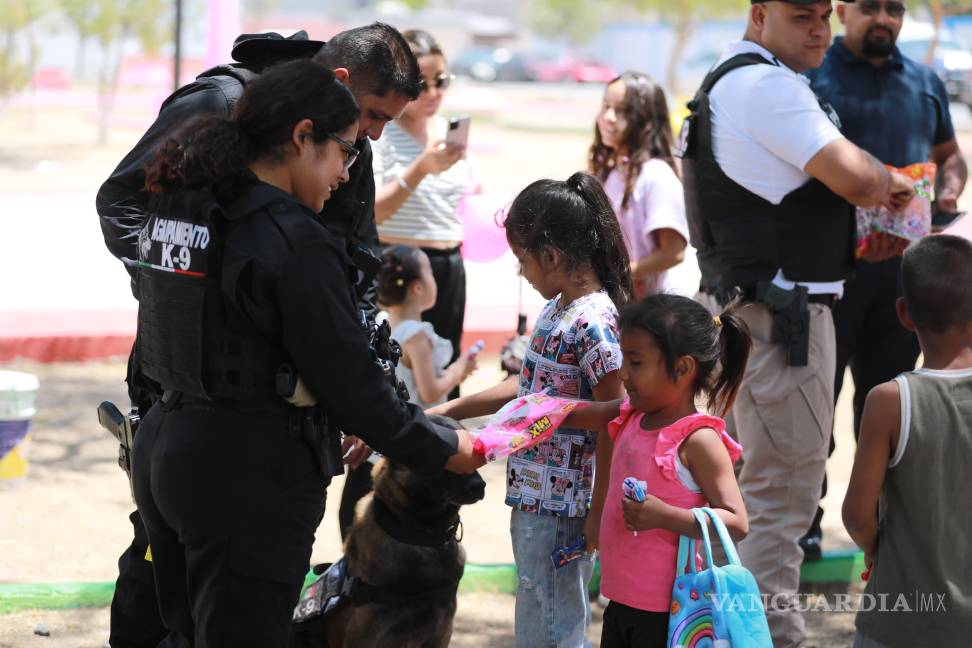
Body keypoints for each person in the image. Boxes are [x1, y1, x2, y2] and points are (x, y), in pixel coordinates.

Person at [130, 60, 482, 647]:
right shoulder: (289, 237)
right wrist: (444, 447)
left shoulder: (183, 205)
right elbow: (353, 383)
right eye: (345, 150)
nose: (347, 172)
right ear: (302, 137)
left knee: (186, 633)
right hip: (244, 472)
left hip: (165, 450)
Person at [679, 1, 916, 645]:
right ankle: (771, 637)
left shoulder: (730, 80)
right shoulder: (767, 85)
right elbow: (856, 177)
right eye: (801, 14)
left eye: (825, 15)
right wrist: (889, 181)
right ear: (760, 15)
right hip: (779, 324)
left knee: (739, 499)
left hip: (741, 315)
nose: (819, 29)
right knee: (778, 504)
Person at [429, 171, 631, 648]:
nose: (522, 272)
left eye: (523, 260)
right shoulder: (559, 307)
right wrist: (443, 410)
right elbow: (524, 387)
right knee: (539, 619)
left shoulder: (592, 321)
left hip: (565, 507)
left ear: (552, 256)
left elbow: (617, 415)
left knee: (554, 629)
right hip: (536, 498)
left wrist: (596, 511)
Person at [800, 0, 968, 558]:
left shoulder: (924, 82)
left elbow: (950, 157)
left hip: (903, 286)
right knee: (814, 410)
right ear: (842, 10)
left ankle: (889, 535)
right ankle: (803, 532)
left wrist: (948, 192)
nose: (884, 19)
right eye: (870, 7)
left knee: (893, 411)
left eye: (894, 8)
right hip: (826, 279)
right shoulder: (810, 76)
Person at [561, 294, 750, 648]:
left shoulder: (698, 439)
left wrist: (666, 516)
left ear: (683, 368)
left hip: (668, 613)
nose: (623, 373)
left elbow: (737, 521)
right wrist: (527, 415)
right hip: (619, 602)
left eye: (635, 363)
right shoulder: (632, 414)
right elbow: (576, 414)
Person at [842, 234, 972, 648]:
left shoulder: (890, 402)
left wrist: (880, 550)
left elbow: (857, 515)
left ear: (903, 313)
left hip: (900, 624)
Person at [373, 29, 472, 390]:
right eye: (421, 83)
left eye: (441, 81)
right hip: (402, 265)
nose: (432, 93)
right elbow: (372, 212)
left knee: (444, 361)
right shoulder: (380, 132)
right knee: (398, 374)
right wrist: (420, 170)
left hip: (448, 265)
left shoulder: (446, 132)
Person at [590, 72, 688, 298]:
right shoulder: (609, 171)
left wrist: (621, 275)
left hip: (646, 308)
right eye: (606, 106)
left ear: (646, 119)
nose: (609, 117)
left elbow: (674, 252)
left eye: (622, 110)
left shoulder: (655, 175)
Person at [378, 245, 478, 409]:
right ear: (417, 288)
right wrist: (458, 369)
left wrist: (453, 373)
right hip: (420, 421)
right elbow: (430, 393)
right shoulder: (415, 335)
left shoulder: (383, 321)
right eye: (430, 272)